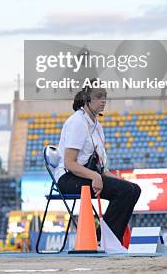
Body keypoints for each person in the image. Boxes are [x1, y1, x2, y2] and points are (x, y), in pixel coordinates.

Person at [55, 86, 141, 243]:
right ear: (87, 99)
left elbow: (101, 167)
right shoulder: (77, 122)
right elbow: (69, 163)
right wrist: (95, 176)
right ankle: (104, 241)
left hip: (84, 175)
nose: (103, 101)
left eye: (105, 96)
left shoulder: (97, 127)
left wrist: (117, 180)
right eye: (99, 96)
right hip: (68, 178)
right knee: (126, 191)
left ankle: (106, 239)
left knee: (133, 189)